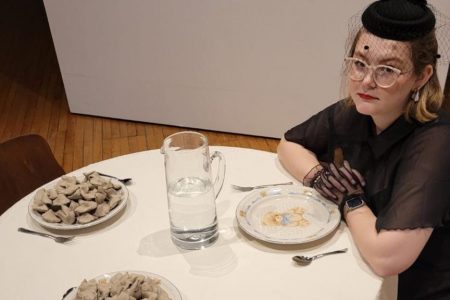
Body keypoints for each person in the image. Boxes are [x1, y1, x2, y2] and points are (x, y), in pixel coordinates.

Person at [277, 0, 450, 299]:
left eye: (387, 70)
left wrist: (350, 200)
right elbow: (289, 144)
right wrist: (321, 178)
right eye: (359, 63)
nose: (366, 81)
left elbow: (388, 258)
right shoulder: (359, 109)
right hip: (356, 256)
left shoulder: (436, 141)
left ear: (421, 77)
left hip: (412, 287)